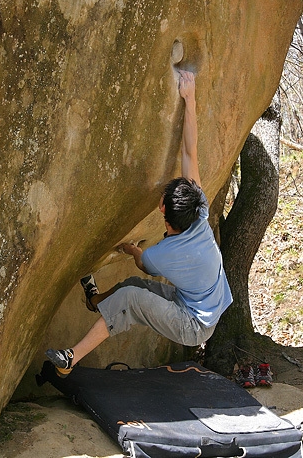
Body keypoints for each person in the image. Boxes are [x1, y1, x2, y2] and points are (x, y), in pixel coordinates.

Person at [46, 70, 233, 376]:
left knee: (131, 298)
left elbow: (144, 264)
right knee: (131, 286)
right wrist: (190, 99)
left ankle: (70, 359)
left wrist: (132, 250)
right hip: (196, 304)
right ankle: (94, 300)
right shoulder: (197, 213)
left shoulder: (162, 254)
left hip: (193, 325)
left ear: (162, 208)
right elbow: (190, 150)